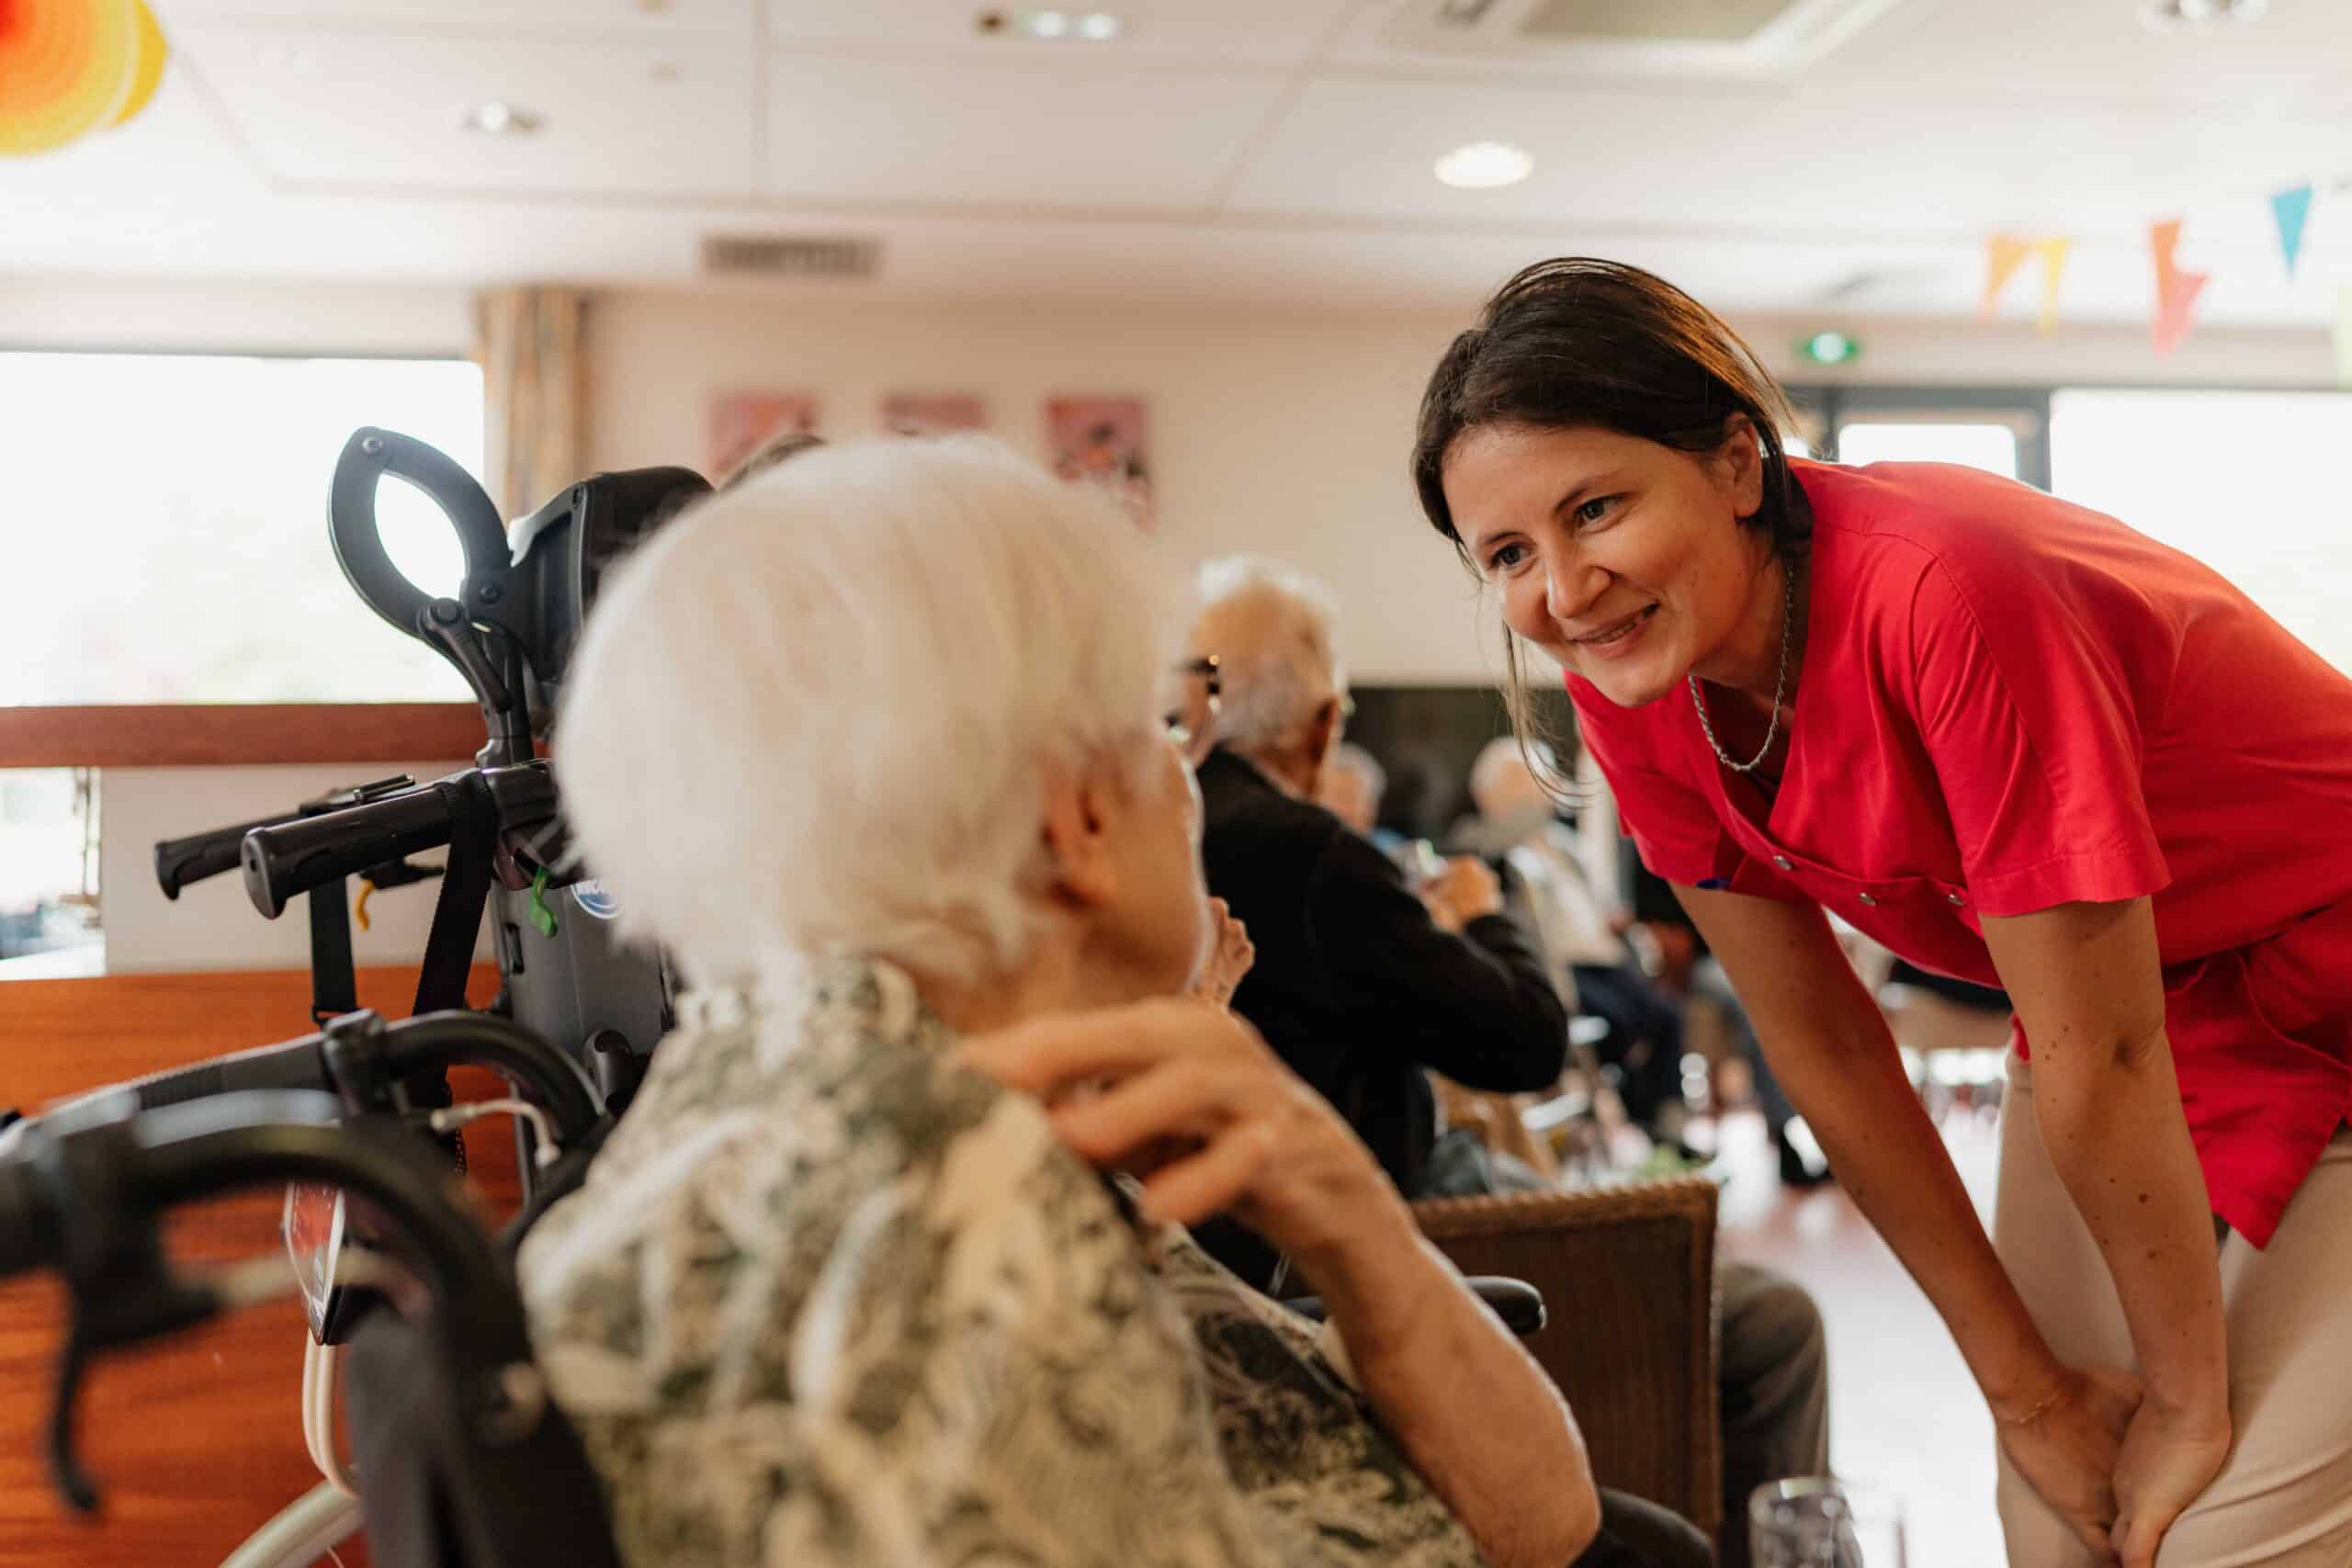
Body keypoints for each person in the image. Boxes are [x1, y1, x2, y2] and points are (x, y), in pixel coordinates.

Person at [515, 435, 1609, 1568]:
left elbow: (1546, 1518)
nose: (1190, 780)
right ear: (1077, 816)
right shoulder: (974, 1229)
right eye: (1158, 731)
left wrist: (1350, 1221)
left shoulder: (799, 1114)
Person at [1412, 256, 2352, 1567]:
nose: (1565, 591)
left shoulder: (1946, 592)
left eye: (1599, 507)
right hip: (2126, 1008)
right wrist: (2028, 1394)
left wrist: (2191, 1400)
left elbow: (2108, 1051)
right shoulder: (1637, 682)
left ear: (1739, 464)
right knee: (2060, 1509)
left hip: (2326, 959)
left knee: (2222, 1531)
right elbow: (1827, 1047)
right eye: (1509, 552)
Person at [1184, 558, 1569, 1232]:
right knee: (1772, 1315)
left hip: (1221, 1224)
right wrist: (1480, 911)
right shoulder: (1318, 855)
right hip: (1370, 1223)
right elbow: (1528, 1041)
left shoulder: (1165, 821)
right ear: (1325, 721)